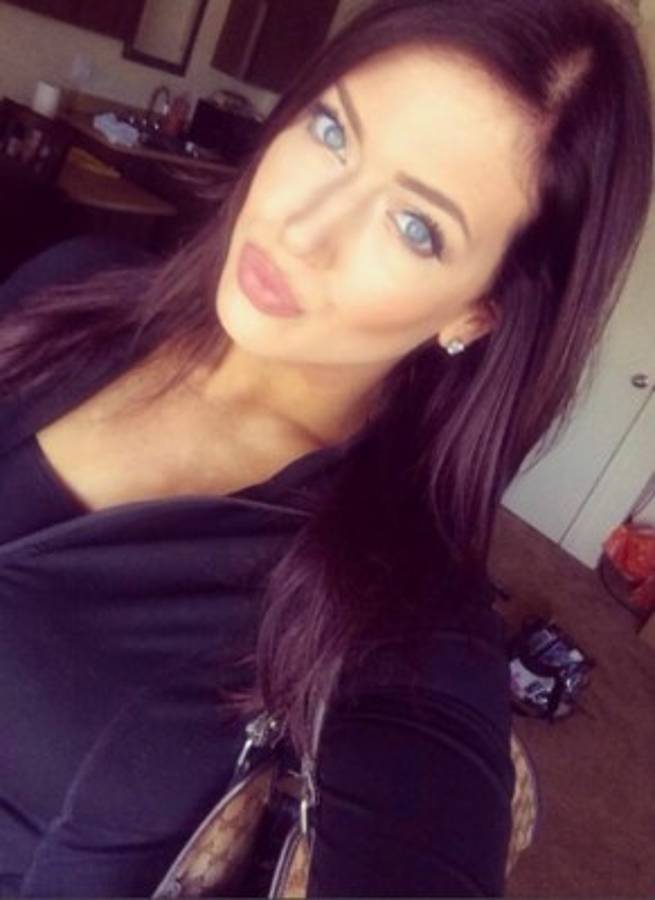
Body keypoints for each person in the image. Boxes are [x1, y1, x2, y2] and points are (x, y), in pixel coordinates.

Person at [0, 0, 652, 895]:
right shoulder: (73, 283)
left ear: (475, 312)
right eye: (332, 131)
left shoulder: (401, 618)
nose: (302, 228)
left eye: (415, 226)